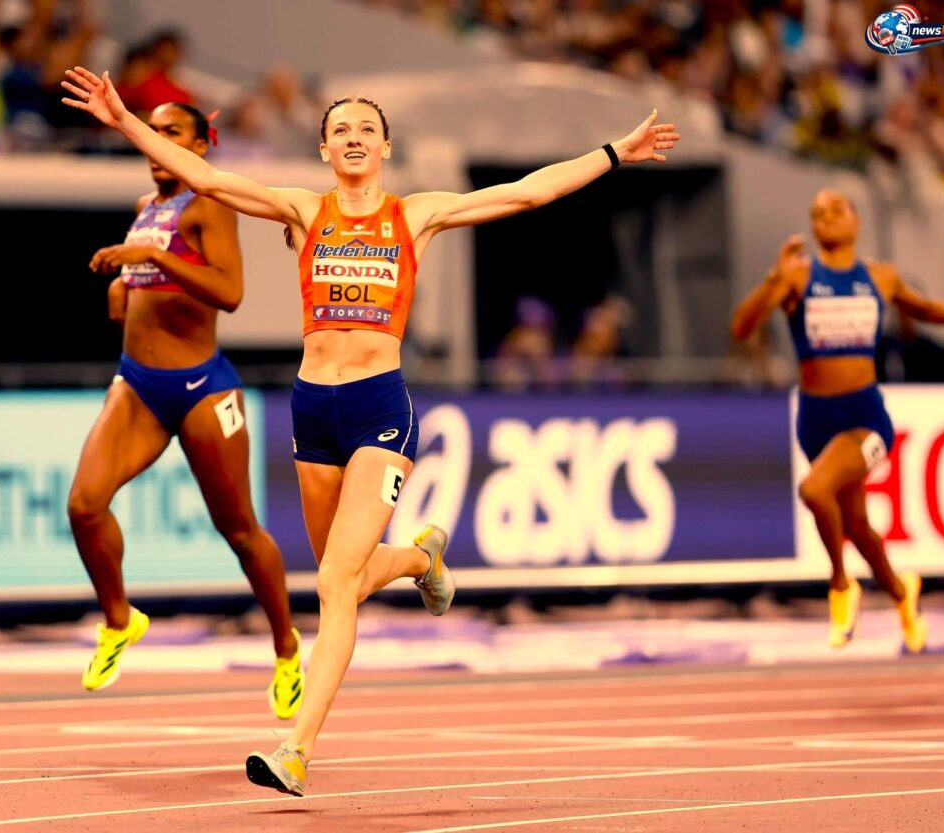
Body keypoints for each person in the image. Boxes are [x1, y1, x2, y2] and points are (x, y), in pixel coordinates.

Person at [62, 65, 679, 796]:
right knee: (345, 582)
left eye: (366, 130)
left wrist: (614, 152)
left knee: (331, 582)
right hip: (310, 410)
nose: (353, 139)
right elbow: (209, 176)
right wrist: (123, 120)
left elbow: (526, 191)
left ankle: (296, 750)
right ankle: (420, 561)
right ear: (324, 150)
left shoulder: (415, 214)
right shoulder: (300, 209)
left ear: (384, 147)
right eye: (340, 131)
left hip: (379, 409)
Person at [66, 101, 304, 722]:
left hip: (204, 389)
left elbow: (229, 293)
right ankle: (120, 619)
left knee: (241, 533)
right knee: (84, 505)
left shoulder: (210, 204)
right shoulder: (147, 210)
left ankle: (286, 647)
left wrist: (150, 261)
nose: (157, 141)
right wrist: (122, 287)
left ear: (200, 146)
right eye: (153, 131)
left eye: (171, 132)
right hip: (139, 384)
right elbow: (133, 301)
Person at [731, 189, 944, 654]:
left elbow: (922, 308)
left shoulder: (880, 276)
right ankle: (901, 593)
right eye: (817, 213)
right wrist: (773, 276)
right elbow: (742, 327)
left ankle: (840, 584)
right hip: (815, 420)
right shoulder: (796, 276)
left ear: (857, 221)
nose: (826, 218)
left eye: (836, 210)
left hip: (864, 417)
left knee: (814, 490)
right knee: (856, 525)